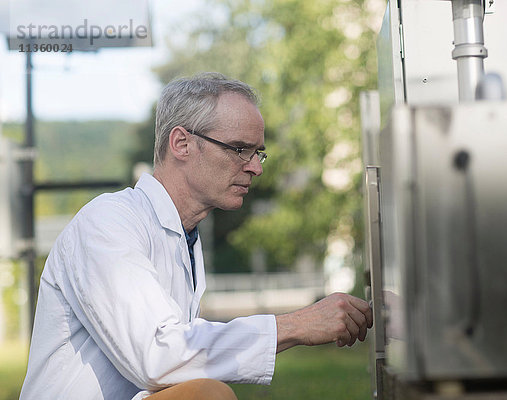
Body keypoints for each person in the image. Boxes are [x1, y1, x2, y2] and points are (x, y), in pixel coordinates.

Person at [19, 72, 373, 400]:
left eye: (258, 152)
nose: (256, 167)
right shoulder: (108, 222)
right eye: (239, 149)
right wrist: (296, 326)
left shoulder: (183, 237)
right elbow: (157, 356)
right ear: (181, 144)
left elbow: (175, 363)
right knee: (208, 395)